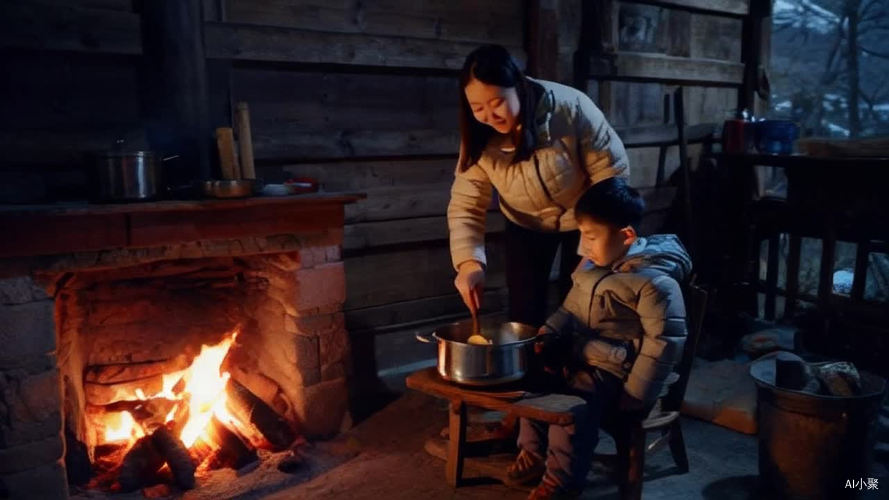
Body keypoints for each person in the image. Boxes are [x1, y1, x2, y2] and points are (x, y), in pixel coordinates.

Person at [507, 178, 691, 499]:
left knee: (573, 406)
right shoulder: (592, 270)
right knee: (533, 383)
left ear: (627, 235)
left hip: (617, 371)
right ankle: (532, 453)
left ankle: (561, 480)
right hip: (580, 356)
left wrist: (637, 392)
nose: (585, 244)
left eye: (591, 236)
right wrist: (548, 332)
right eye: (582, 234)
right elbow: (569, 310)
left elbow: (664, 343)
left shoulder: (655, 285)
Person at [448, 44, 629, 326]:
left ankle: (578, 368)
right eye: (477, 107)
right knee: (524, 312)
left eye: (496, 103)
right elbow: (465, 206)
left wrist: (594, 247)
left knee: (583, 305)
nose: (489, 116)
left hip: (585, 219)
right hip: (524, 222)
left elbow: (610, 175)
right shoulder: (479, 137)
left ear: (518, 86)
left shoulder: (570, 108)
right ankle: (530, 367)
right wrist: (469, 264)